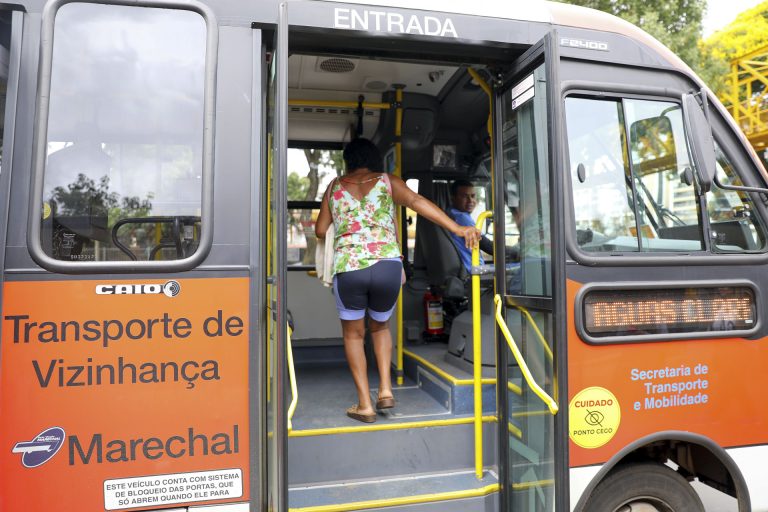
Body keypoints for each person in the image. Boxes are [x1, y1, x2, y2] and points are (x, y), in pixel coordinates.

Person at [315, 138, 480, 423]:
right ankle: (386, 391)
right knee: (380, 329)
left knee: (354, 335)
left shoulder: (334, 187)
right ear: (374, 158)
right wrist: (458, 227)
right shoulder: (387, 181)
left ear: (349, 161)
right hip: (387, 267)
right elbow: (417, 202)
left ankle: (365, 404)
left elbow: (320, 231)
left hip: (350, 268)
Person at [448, 179, 519, 272]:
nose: (471, 201)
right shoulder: (461, 217)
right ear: (453, 198)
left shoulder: (451, 212)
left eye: (473, 196)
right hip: (473, 272)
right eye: (464, 197)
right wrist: (516, 251)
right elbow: (488, 247)